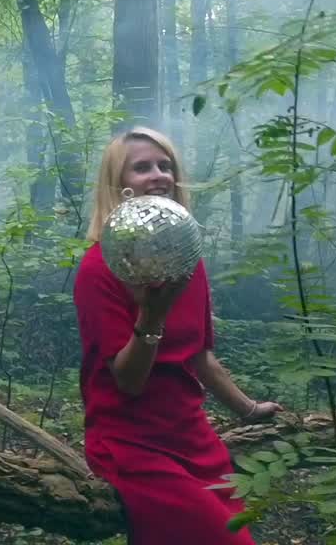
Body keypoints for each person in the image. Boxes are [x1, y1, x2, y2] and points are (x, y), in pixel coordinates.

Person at [73, 127, 282, 545]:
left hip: (192, 437)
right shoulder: (98, 270)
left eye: (165, 166)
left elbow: (200, 357)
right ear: (119, 186)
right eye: (142, 167)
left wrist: (249, 409)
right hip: (132, 445)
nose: (159, 175)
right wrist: (153, 313)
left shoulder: (188, 261)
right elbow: (129, 382)